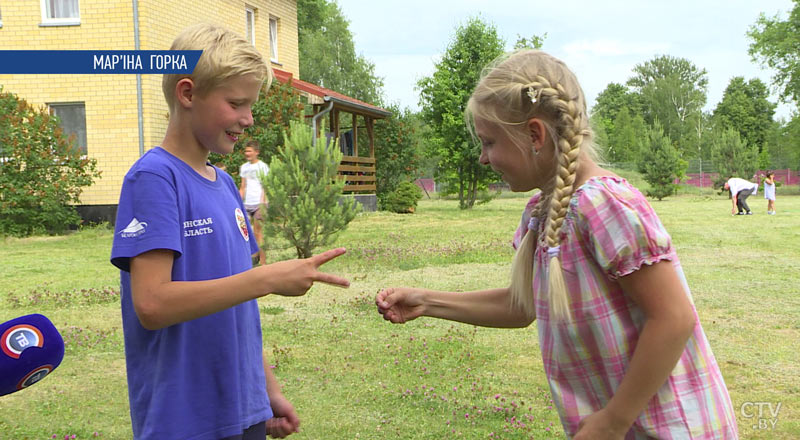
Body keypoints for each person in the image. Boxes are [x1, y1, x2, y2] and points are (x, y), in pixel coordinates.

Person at [375, 49, 738, 439]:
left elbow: (673, 318)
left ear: (535, 134)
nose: (483, 158)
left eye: (490, 142)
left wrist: (615, 419)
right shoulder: (540, 212)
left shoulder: (603, 204)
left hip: (671, 427)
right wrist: (427, 302)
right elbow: (523, 304)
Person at [110, 24, 349, 440]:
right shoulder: (153, 179)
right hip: (184, 421)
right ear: (187, 94)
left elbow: (239, 306)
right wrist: (268, 279)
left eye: (250, 104)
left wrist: (268, 391)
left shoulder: (223, 186)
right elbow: (151, 304)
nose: (248, 119)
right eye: (236, 103)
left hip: (244, 410)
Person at [239, 140, 270, 265]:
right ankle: (251, 259)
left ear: (256, 152)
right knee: (244, 232)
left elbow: (265, 186)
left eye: (249, 151)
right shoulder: (244, 167)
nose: (247, 153)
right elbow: (243, 186)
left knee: (258, 233)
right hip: (247, 204)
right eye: (246, 151)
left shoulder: (262, 167)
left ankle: (263, 263)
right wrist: (238, 201)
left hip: (259, 203)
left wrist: (263, 203)